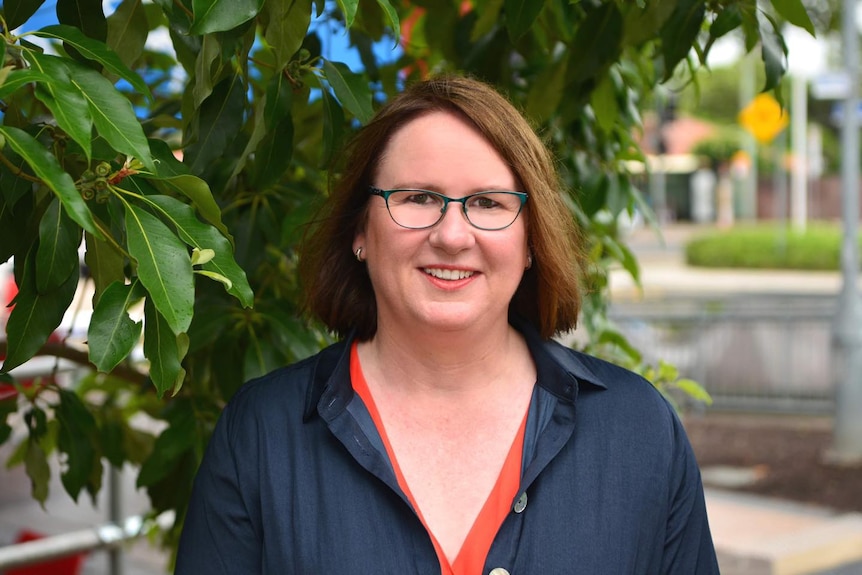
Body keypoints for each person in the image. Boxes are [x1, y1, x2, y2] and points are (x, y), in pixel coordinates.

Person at [175, 75, 719, 574]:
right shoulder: (262, 434)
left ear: (531, 241)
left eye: (486, 202)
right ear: (360, 230)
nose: (453, 235)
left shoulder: (639, 433)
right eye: (417, 198)